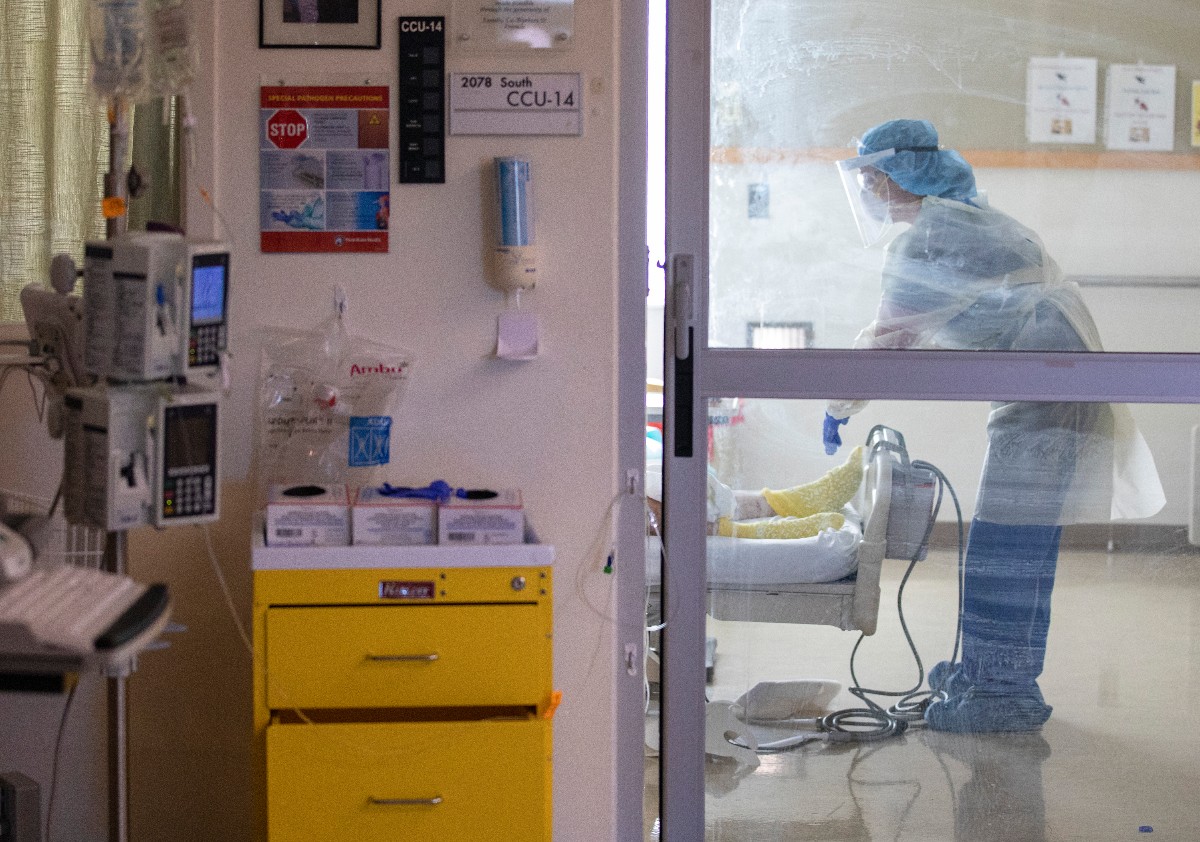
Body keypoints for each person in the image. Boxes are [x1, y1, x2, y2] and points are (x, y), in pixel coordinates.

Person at [826, 119, 1164, 732]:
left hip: (1046, 385)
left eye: (874, 176)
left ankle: (1002, 692)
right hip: (1048, 378)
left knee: (1006, 544)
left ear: (901, 175)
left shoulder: (931, 237)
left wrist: (838, 403)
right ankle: (989, 674)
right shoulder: (966, 219)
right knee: (1015, 538)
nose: (870, 190)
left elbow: (890, 341)